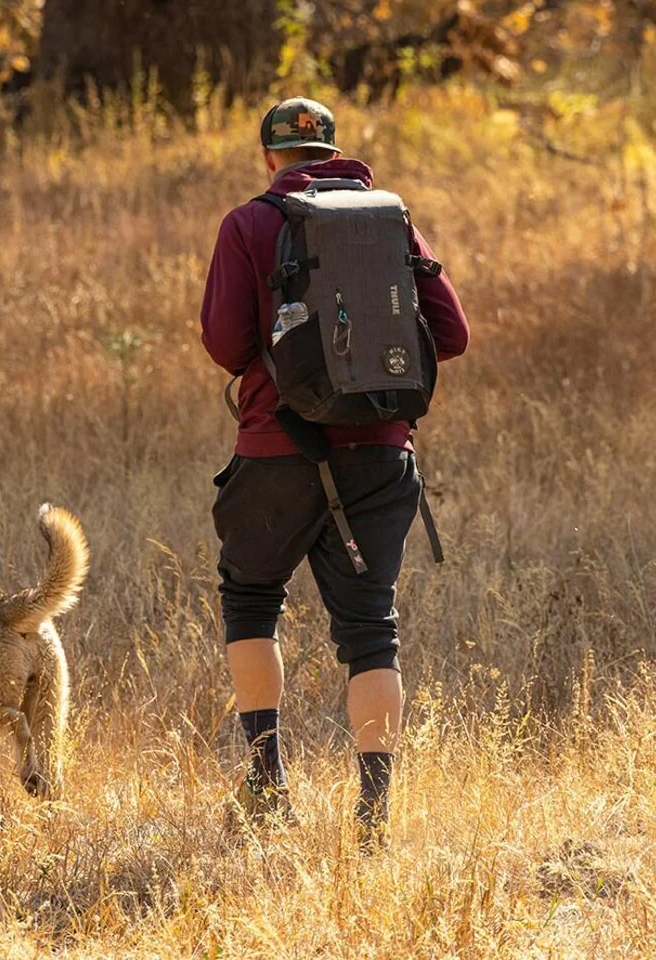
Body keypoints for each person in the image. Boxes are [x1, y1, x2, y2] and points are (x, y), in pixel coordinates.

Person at [199, 96, 470, 847]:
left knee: (251, 599)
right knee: (371, 630)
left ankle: (267, 785)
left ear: (269, 158)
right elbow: (451, 333)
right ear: (334, 151)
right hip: (381, 451)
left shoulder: (248, 224)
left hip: (275, 449)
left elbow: (225, 345)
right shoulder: (390, 217)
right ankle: (373, 817)